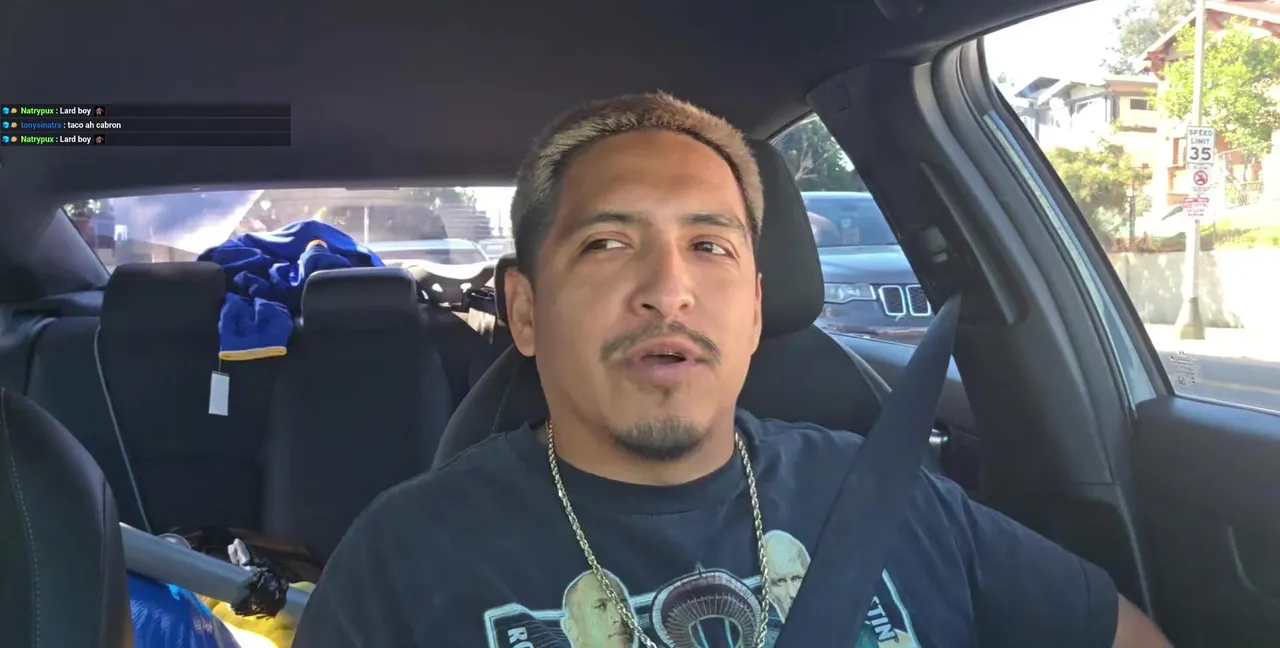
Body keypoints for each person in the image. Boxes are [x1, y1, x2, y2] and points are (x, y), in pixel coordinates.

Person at [294, 92, 1171, 647]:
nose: (667, 290)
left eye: (709, 246)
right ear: (524, 310)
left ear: (754, 308)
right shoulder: (404, 558)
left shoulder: (890, 494)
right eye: (607, 244)